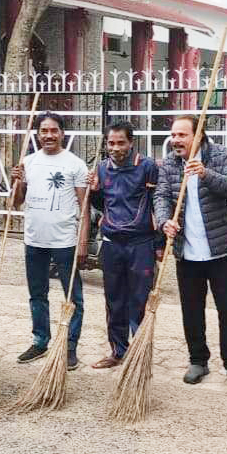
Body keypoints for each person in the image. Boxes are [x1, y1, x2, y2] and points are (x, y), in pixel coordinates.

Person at [155, 114, 227, 390]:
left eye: (181, 135)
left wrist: (205, 173)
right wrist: (165, 221)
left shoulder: (219, 155)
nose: (175, 140)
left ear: (198, 135)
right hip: (187, 252)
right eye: (173, 135)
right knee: (192, 310)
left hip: (221, 251)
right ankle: (198, 360)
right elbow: (161, 196)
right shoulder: (170, 163)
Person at [10, 112, 89, 370]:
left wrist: (83, 242)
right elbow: (15, 202)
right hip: (34, 240)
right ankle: (40, 341)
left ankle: (69, 347)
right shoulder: (28, 162)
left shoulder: (75, 164)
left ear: (62, 133)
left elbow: (84, 206)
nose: (49, 135)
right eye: (44, 131)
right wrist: (17, 183)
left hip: (65, 241)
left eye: (54, 130)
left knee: (72, 297)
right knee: (37, 294)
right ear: (38, 134)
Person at [87, 121, 159, 368]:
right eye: (111, 143)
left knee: (139, 300)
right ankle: (118, 351)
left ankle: (140, 355)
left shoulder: (147, 167)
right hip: (112, 243)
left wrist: (159, 243)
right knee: (114, 300)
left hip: (141, 243)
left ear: (131, 143)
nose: (115, 148)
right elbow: (100, 205)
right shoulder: (103, 168)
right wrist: (94, 191)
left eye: (121, 143)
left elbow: (157, 204)